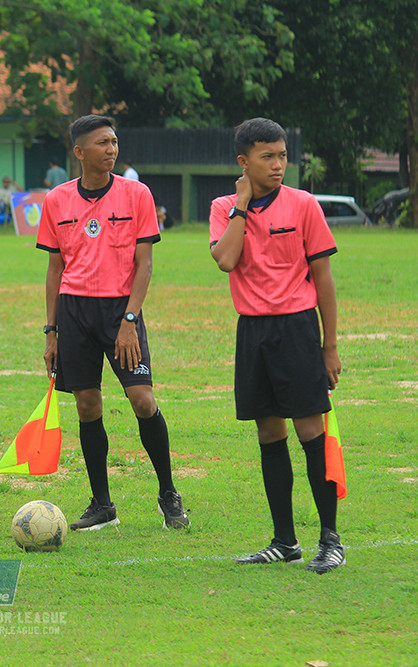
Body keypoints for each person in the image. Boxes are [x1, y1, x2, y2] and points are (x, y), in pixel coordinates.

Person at [38, 114, 190, 532]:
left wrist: (129, 319)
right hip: (74, 312)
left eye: (114, 141)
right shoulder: (56, 200)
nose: (111, 149)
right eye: (102, 143)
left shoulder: (136, 194)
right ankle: (102, 503)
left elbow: (145, 265)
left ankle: (168, 494)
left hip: (120, 312)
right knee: (87, 405)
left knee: (142, 399)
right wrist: (51, 332)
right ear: (79, 152)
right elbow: (54, 270)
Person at [209, 117, 344, 574]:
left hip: (298, 331)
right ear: (244, 162)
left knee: (311, 432)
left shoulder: (305, 205)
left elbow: (323, 280)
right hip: (253, 333)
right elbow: (226, 259)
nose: (279, 164)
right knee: (269, 434)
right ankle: (285, 541)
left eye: (283, 155)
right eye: (268, 156)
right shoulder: (223, 206)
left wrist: (330, 347)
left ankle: (331, 538)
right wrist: (242, 205)